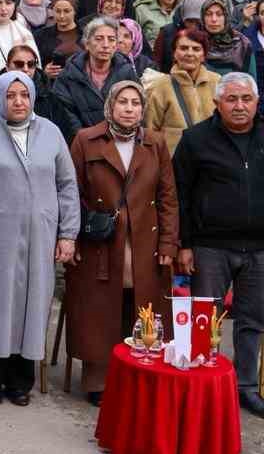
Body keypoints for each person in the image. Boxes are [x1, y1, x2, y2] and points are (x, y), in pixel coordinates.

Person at [0, 70, 80, 405]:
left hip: (40, 236)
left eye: (24, 95)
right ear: (0, 97)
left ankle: (20, 381)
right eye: (11, 95)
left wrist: (68, 234)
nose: (18, 101)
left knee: (33, 303)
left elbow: (67, 186)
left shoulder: (51, 133)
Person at [65, 80, 178, 405]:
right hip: (100, 241)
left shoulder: (155, 142)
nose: (129, 109)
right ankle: (98, 380)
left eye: (136, 103)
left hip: (146, 240)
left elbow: (168, 197)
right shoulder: (86, 140)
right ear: (110, 107)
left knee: (142, 305)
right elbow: (69, 192)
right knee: (100, 310)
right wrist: (69, 237)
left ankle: (140, 374)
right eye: (123, 102)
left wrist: (169, 243)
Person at [172, 72, 264, 417]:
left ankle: (245, 387)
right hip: (210, 246)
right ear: (217, 103)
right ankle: (197, 379)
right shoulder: (195, 140)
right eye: (232, 99)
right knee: (202, 317)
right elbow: (180, 194)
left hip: (259, 248)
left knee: (252, 321)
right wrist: (185, 244)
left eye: (246, 99)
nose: (239, 106)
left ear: (256, 102)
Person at [50, 17, 139, 143]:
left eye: (111, 39)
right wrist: (86, 139)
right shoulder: (69, 74)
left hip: (120, 141)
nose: (106, 45)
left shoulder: (127, 72)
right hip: (81, 143)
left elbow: (137, 107)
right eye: (99, 39)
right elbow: (64, 112)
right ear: (86, 43)